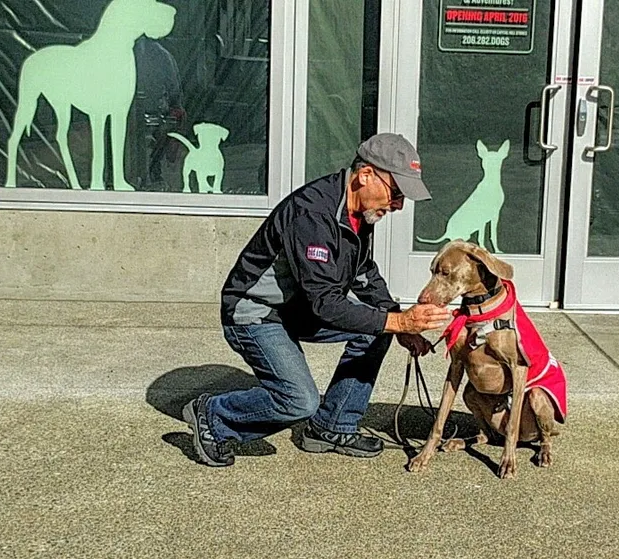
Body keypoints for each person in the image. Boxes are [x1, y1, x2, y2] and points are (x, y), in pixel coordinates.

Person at [183, 133, 449, 466]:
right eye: (396, 194)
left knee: (376, 329)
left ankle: (332, 426)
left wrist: (396, 320)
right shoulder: (312, 216)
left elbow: (364, 272)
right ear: (365, 175)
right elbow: (326, 303)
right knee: (298, 401)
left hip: (299, 308)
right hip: (255, 313)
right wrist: (398, 321)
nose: (397, 205)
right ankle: (214, 416)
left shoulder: (358, 214)